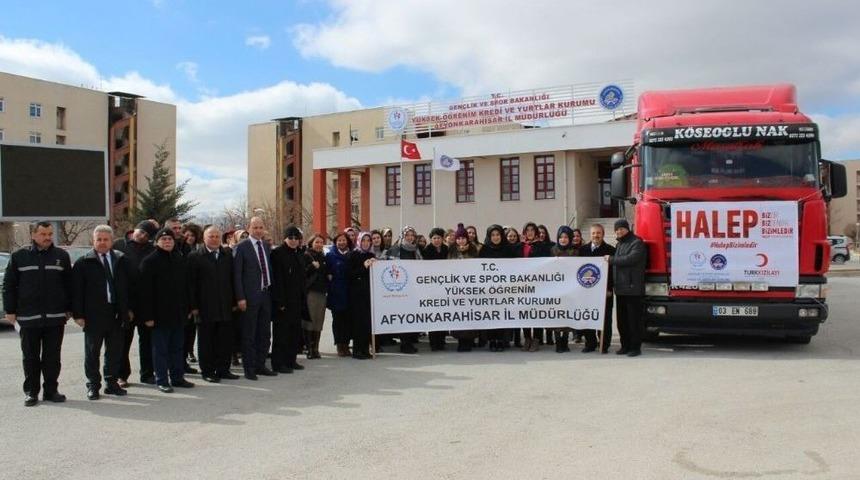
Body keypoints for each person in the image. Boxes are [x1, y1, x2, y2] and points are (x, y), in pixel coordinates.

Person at [3, 222, 72, 406]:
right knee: (30, 358)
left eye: (50, 234)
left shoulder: (61, 256)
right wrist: (10, 310)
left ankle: (51, 391)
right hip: (28, 318)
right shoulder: (19, 257)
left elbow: (69, 284)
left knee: (52, 358)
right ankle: (31, 392)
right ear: (33, 235)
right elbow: (9, 285)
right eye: (43, 234)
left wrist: (70, 308)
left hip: (55, 318)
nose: (47, 237)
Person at [73, 225, 130, 399]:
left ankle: (111, 383)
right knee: (92, 353)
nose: (102, 242)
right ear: (93, 241)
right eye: (99, 239)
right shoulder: (83, 262)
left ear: (112, 241)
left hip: (116, 313)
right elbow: (76, 291)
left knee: (114, 352)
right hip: (93, 314)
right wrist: (78, 314)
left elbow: (130, 287)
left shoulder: (121, 260)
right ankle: (93, 385)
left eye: (106, 239)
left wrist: (128, 310)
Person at [139, 228, 195, 393]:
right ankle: (162, 380)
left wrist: (189, 308)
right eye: (163, 239)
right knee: (161, 350)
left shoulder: (179, 259)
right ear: (157, 242)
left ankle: (177, 378)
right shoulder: (149, 261)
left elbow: (187, 287)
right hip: (159, 315)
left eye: (170, 239)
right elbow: (144, 293)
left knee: (177, 348)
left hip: (178, 313)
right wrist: (147, 316)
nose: (167, 242)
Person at [187, 225, 239, 383]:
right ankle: (208, 371)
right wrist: (193, 306)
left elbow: (233, 279)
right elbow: (191, 284)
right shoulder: (195, 256)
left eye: (217, 236)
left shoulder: (227, 255)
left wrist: (235, 301)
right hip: (205, 307)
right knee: (206, 341)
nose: (215, 239)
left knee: (224, 340)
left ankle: (223, 369)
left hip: (225, 305)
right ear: (204, 238)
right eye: (211, 236)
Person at [113, 220, 157, 386]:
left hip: (146, 302)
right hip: (126, 301)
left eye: (147, 235)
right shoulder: (118, 245)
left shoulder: (152, 249)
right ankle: (121, 375)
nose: (143, 236)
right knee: (123, 342)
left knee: (147, 341)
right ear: (135, 229)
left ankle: (147, 374)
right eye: (142, 231)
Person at [233, 217, 277, 379]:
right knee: (249, 334)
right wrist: (240, 298)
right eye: (255, 227)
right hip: (249, 297)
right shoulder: (241, 247)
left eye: (260, 227)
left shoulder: (265, 245)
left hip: (265, 294)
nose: (258, 230)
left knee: (264, 333)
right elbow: (237, 275)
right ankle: (249, 368)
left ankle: (260, 365)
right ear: (249, 228)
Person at [270, 226, 309, 374]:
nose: (293, 241)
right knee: (281, 334)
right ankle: (278, 363)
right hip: (283, 301)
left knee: (294, 333)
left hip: (297, 300)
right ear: (285, 238)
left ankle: (291, 360)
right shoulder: (278, 253)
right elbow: (277, 280)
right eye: (290, 238)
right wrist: (279, 301)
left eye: (296, 238)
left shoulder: (298, 253)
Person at [607, 219, 647, 357]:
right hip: (621, 289)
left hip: (633, 289)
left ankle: (635, 347)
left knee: (633, 321)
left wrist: (611, 259)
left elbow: (631, 259)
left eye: (621, 229)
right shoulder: (619, 244)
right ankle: (625, 346)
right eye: (617, 230)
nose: (619, 231)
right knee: (622, 321)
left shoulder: (637, 242)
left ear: (627, 229)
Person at [383, 226, 422, 354]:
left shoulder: (416, 249)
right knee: (402, 315)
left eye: (412, 235)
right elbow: (385, 263)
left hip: (413, 288)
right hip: (399, 288)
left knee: (411, 316)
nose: (410, 237)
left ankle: (409, 342)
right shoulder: (396, 249)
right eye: (407, 235)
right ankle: (405, 344)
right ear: (403, 236)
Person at [579, 224, 616, 354]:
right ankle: (590, 343)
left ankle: (604, 345)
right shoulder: (582, 250)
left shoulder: (611, 250)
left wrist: (610, 289)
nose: (596, 235)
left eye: (598, 233)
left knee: (605, 319)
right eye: (593, 233)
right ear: (590, 235)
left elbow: (613, 273)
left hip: (605, 292)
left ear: (603, 234)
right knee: (588, 317)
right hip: (587, 291)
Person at [478, 224, 514, 352]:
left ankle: (501, 340)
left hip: (505, 289)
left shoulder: (508, 249)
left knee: (503, 314)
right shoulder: (484, 250)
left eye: (498, 234)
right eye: (493, 235)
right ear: (489, 236)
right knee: (491, 315)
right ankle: (492, 340)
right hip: (489, 290)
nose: (495, 237)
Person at [520, 222, 552, 351]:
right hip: (523, 284)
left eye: (532, 230)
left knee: (537, 311)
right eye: (527, 230)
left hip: (539, 284)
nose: (530, 232)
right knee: (525, 311)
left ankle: (537, 339)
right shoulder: (520, 246)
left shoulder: (543, 246)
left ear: (536, 232)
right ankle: (527, 338)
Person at [448, 224, 479, 352]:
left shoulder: (473, 250)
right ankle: (461, 341)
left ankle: (469, 340)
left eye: (463, 238)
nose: (461, 241)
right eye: (458, 238)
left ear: (467, 239)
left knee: (470, 315)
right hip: (457, 289)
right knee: (459, 316)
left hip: (471, 288)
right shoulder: (451, 251)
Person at [550, 226, 579, 353]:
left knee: (568, 314)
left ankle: (565, 341)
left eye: (566, 237)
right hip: (556, 288)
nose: (563, 239)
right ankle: (558, 342)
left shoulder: (575, 251)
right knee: (557, 315)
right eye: (561, 237)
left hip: (570, 288)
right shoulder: (553, 250)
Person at [348, 232, 376, 359]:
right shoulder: (353, 254)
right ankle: (357, 350)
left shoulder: (371, 255)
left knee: (367, 322)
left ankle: (365, 349)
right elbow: (350, 274)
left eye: (368, 241)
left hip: (368, 293)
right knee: (358, 322)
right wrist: (364, 267)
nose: (366, 243)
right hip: (357, 294)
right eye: (363, 240)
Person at [180, 222, 203, 370]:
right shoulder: (180, 250)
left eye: (192, 235)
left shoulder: (199, 250)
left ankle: (189, 352)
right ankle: (182, 360)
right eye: (187, 235)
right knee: (184, 330)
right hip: (184, 296)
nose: (189, 237)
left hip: (196, 295)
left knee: (191, 330)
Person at [326, 233, 353, 357]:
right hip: (336, 292)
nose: (342, 242)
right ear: (335, 242)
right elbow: (327, 272)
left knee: (348, 320)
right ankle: (339, 345)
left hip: (349, 292)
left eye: (344, 240)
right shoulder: (330, 255)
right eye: (339, 240)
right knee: (337, 321)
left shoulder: (352, 254)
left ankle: (346, 344)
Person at [422, 227, 449, 351]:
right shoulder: (427, 250)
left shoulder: (446, 249)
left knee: (443, 314)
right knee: (433, 314)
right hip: (431, 287)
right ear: (431, 239)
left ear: (442, 239)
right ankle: (433, 342)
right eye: (434, 238)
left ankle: (442, 340)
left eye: (439, 238)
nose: (437, 240)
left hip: (445, 286)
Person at [304, 234, 328, 359]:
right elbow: (302, 273)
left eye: (321, 242)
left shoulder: (324, 257)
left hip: (322, 292)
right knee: (310, 320)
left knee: (319, 320)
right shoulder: (306, 255)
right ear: (311, 243)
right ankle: (309, 349)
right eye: (316, 242)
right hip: (311, 292)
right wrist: (312, 266)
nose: (319, 244)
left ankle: (316, 348)